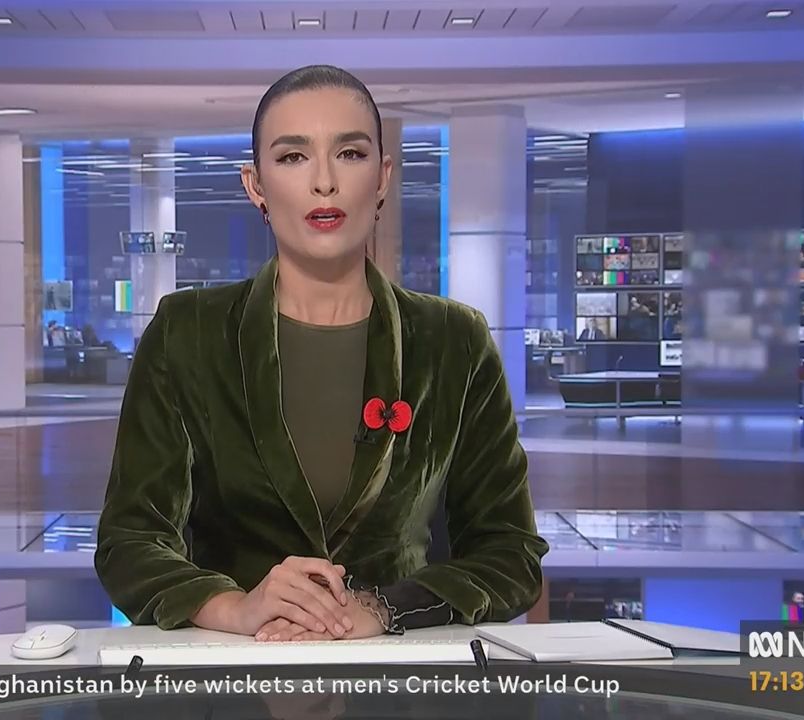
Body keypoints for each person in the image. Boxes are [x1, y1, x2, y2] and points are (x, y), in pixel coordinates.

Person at [94, 65, 548, 643]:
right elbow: (129, 542)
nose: (325, 182)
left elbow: (510, 554)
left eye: (350, 154)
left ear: (382, 177)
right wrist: (235, 607)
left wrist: (382, 609)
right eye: (293, 157)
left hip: (400, 679)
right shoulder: (188, 332)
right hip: (235, 673)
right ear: (255, 185)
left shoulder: (454, 339)